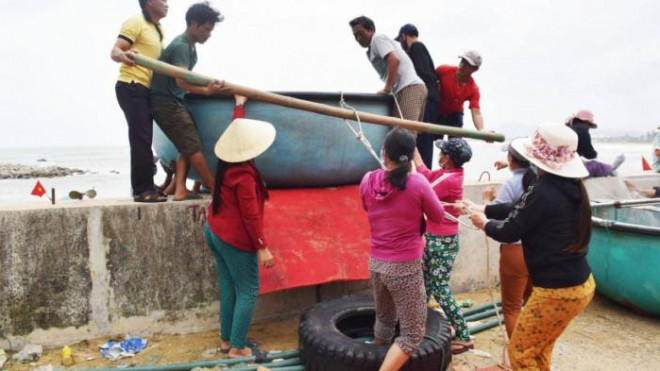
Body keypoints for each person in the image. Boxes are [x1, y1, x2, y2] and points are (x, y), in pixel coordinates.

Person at [468, 124, 595, 370]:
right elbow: (520, 208)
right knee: (539, 348)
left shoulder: (544, 190)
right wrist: (484, 209)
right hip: (580, 285)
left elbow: (511, 230)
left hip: (556, 292)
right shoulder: (570, 188)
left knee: (521, 352)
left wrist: (485, 224)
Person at [360, 129, 445, 371]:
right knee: (412, 335)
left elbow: (368, 208)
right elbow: (438, 216)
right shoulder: (417, 182)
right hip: (404, 267)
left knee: (385, 319)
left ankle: (376, 359)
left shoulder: (368, 179)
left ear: (385, 152)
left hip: (376, 263)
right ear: (410, 156)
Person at [204, 95, 276, 359]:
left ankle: (227, 340)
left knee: (229, 287)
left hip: (214, 229)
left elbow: (236, 130)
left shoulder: (228, 164)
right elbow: (250, 217)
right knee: (248, 290)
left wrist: (239, 106)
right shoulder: (244, 176)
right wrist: (262, 247)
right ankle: (237, 347)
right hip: (234, 237)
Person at [150, 2, 224, 201]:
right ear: (193, 24)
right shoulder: (182, 46)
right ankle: (215, 189)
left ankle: (180, 188)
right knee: (193, 147)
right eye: (206, 29)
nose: (209, 34)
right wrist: (207, 91)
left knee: (187, 144)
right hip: (164, 102)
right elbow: (181, 81)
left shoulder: (191, 49)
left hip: (174, 101)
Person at [463, 142, 535, 338]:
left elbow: (496, 221)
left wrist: (486, 201)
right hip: (538, 249)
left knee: (511, 308)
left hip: (516, 250)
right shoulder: (539, 181)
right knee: (531, 304)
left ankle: (517, 363)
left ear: (511, 159)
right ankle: (531, 359)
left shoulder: (512, 183)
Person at [412, 138, 474, 355]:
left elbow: (424, 189)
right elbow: (425, 174)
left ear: (447, 157)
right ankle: (421, 324)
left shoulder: (450, 180)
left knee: (439, 287)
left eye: (442, 153)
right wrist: (412, 147)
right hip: (434, 237)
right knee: (425, 281)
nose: (440, 156)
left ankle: (464, 335)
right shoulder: (448, 173)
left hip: (442, 241)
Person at [110, 0, 169, 203]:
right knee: (141, 139)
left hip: (146, 89)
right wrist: (124, 55)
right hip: (132, 84)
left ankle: (146, 185)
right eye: (164, 0)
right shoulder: (136, 22)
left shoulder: (157, 28)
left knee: (145, 138)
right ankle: (143, 190)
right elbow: (115, 51)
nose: (167, 3)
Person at [349, 16, 428, 123]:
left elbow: (394, 60)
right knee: (397, 133)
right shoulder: (371, 49)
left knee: (406, 132)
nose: (358, 38)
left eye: (360, 33)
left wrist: (387, 88)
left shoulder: (377, 39)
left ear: (370, 29)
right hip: (402, 90)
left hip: (410, 87)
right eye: (355, 35)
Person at [395, 24, 441, 168]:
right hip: (429, 98)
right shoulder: (420, 48)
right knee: (422, 139)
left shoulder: (416, 47)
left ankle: (425, 174)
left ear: (403, 36)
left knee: (423, 140)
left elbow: (420, 73)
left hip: (426, 99)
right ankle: (424, 173)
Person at [565, 109, 625, 177]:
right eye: (589, 126)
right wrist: (594, 154)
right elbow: (590, 154)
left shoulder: (567, 128)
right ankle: (611, 168)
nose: (589, 128)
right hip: (571, 167)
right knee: (594, 165)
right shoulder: (582, 129)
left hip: (560, 163)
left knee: (582, 162)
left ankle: (610, 169)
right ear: (587, 123)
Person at [436, 51, 485, 135]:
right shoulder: (444, 70)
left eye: (467, 64)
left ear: (475, 69)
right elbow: (427, 80)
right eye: (462, 61)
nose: (462, 66)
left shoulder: (473, 89)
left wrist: (482, 131)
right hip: (436, 111)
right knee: (430, 138)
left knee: (456, 141)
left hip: (454, 116)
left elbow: (476, 112)